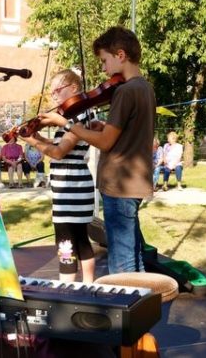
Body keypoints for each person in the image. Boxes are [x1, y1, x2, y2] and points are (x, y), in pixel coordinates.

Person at [36, 26, 155, 274]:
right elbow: (126, 132)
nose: (103, 69)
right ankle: (142, 300)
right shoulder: (145, 87)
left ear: (120, 55)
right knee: (134, 255)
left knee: (122, 262)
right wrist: (101, 126)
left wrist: (67, 123)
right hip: (135, 181)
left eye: (104, 61)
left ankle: (125, 304)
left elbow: (105, 143)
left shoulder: (125, 91)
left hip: (119, 184)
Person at [21, 69, 97, 283]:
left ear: (74, 88)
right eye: (51, 92)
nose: (53, 96)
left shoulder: (79, 116)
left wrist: (33, 142)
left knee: (65, 241)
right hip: (74, 184)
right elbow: (57, 147)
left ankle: (68, 287)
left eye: (57, 90)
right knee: (81, 240)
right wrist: (37, 137)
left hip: (70, 187)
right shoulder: (75, 116)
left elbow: (58, 153)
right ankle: (89, 285)